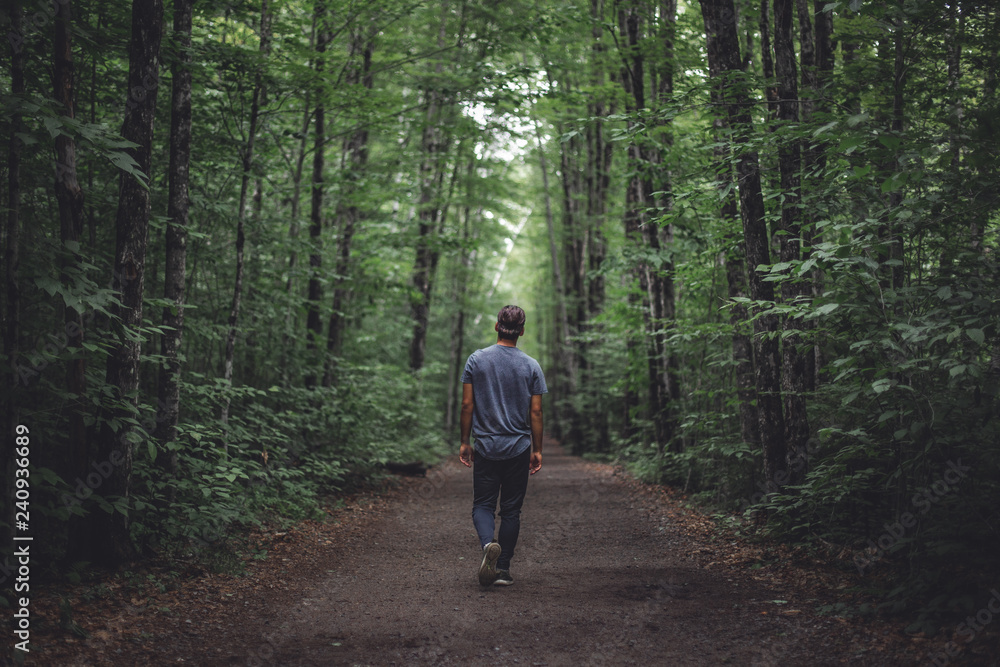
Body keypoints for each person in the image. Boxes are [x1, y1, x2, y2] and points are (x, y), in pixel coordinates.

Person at [459, 305, 546, 587]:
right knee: (511, 510)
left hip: (485, 446)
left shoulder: (476, 360)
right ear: (521, 331)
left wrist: (464, 441)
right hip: (518, 448)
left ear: (497, 327)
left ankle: (488, 546)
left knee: (482, 505)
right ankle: (504, 570)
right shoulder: (531, 365)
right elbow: (535, 412)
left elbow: (467, 404)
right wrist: (537, 449)